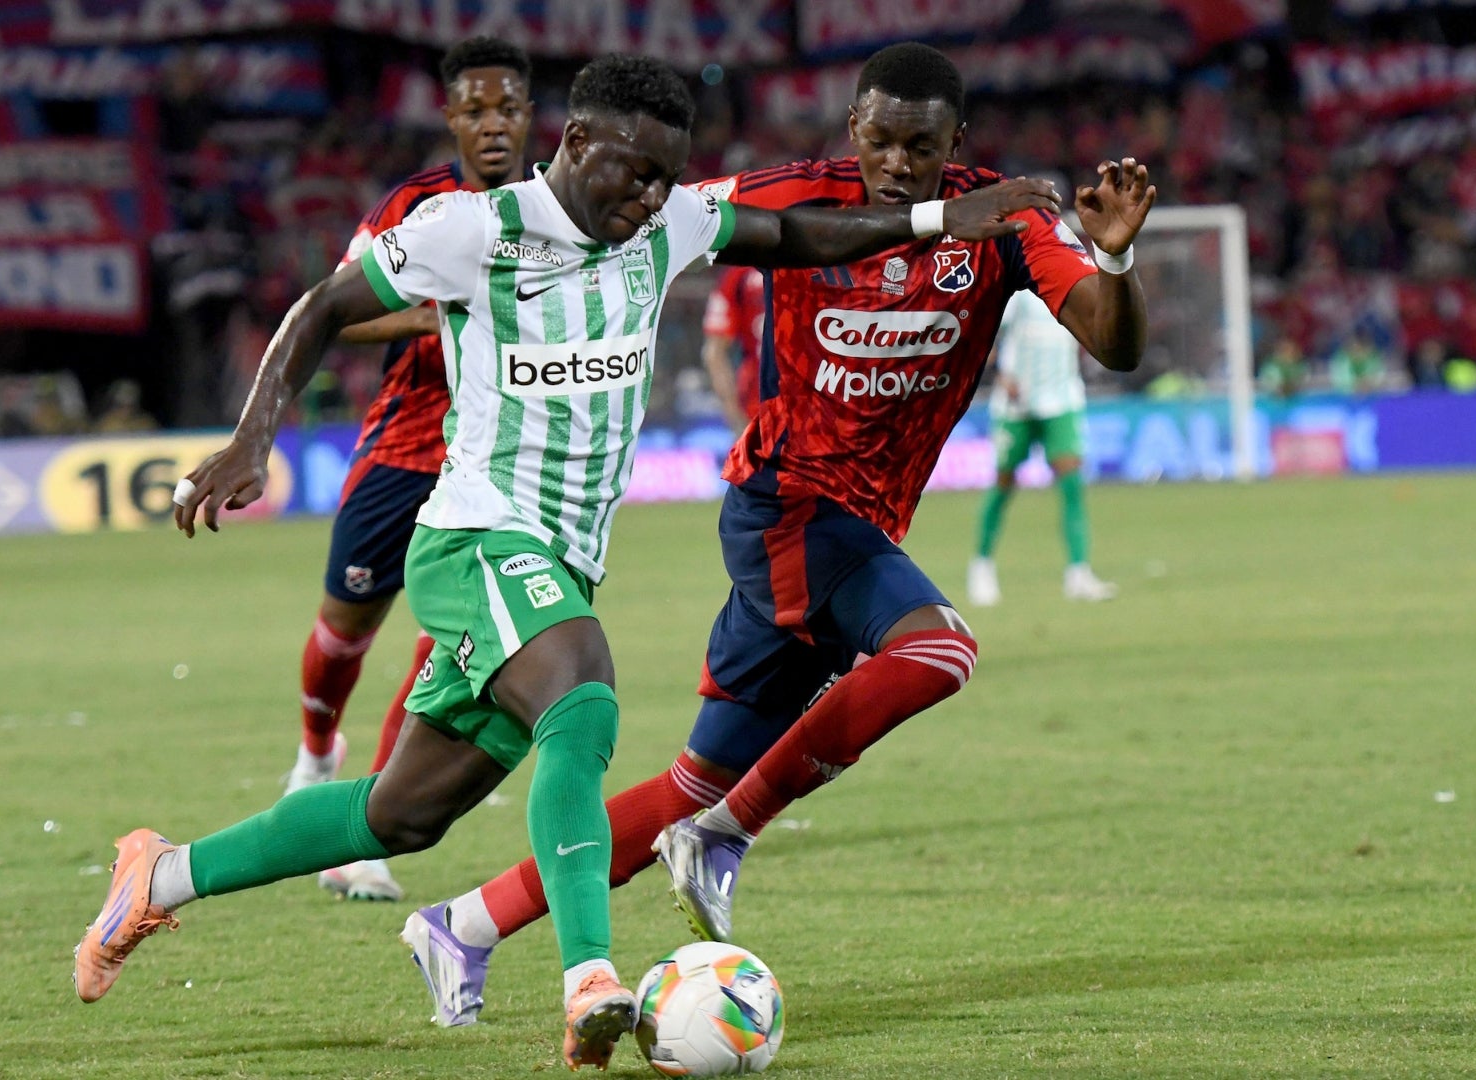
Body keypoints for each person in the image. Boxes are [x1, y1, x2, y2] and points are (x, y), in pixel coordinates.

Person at [70, 53, 1058, 1072]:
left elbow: (793, 234)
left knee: (402, 814)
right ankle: (592, 978)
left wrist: (936, 223)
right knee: (583, 697)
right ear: (576, 144)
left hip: (562, 559)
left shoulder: (667, 224)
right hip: (477, 538)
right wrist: (252, 437)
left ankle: (162, 875)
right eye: (630, 173)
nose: (646, 199)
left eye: (663, 179)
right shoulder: (473, 231)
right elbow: (321, 305)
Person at [403, 42, 1154, 1024]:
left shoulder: (1002, 221)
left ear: (953, 143)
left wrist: (1115, 257)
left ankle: (464, 923)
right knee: (938, 650)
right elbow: (632, 206)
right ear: (853, 127)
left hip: (857, 525)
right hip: (786, 504)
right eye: (878, 138)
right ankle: (727, 838)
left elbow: (1115, 342)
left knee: (690, 782)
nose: (895, 161)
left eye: (918, 146)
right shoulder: (797, 193)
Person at [281, 37, 533, 905]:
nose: (492, 124)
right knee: (342, 635)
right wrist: (431, 318)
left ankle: (364, 832)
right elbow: (334, 317)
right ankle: (317, 752)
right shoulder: (417, 207)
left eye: (508, 108)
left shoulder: (555, 210)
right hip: (402, 449)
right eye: (476, 110)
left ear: (530, 116)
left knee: (444, 648)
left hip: (493, 464)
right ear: (451, 118)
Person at [966, 288, 1117, 607]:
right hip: (1017, 403)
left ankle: (1078, 572)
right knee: (1004, 482)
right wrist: (999, 373)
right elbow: (988, 329)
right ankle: (981, 566)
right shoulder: (1019, 291)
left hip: (1062, 399)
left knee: (1072, 483)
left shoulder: (1075, 284)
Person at [700, 265, 766, 432]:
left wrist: (735, 418)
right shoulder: (818, 263)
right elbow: (714, 354)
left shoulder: (738, 275)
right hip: (807, 409)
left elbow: (713, 354)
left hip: (757, 408)